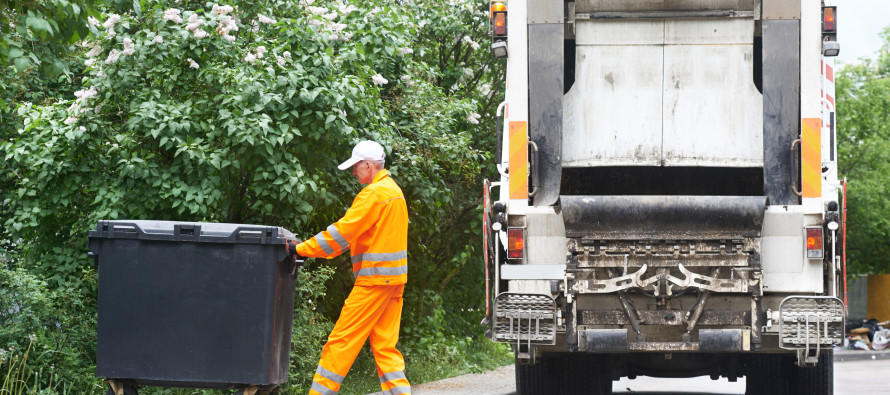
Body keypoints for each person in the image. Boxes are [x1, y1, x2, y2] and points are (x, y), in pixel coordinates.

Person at [287, 140, 411, 395]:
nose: (354, 172)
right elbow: (355, 236)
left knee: (341, 342)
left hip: (374, 282)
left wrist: (301, 249)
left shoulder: (374, 194)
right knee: (385, 347)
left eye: (356, 167)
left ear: (368, 165)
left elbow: (342, 233)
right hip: (393, 282)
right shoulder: (393, 191)